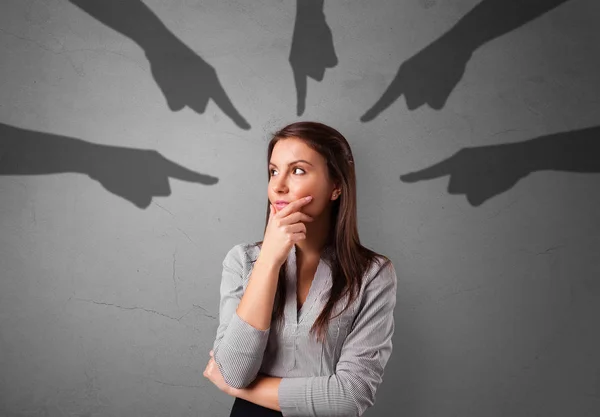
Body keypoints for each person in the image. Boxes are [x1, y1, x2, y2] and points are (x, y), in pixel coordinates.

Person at [205, 121, 398, 417]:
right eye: (273, 171)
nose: (278, 185)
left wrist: (239, 390)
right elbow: (234, 370)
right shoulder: (242, 260)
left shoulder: (373, 274)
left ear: (336, 186)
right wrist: (269, 260)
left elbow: (351, 397)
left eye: (297, 170)